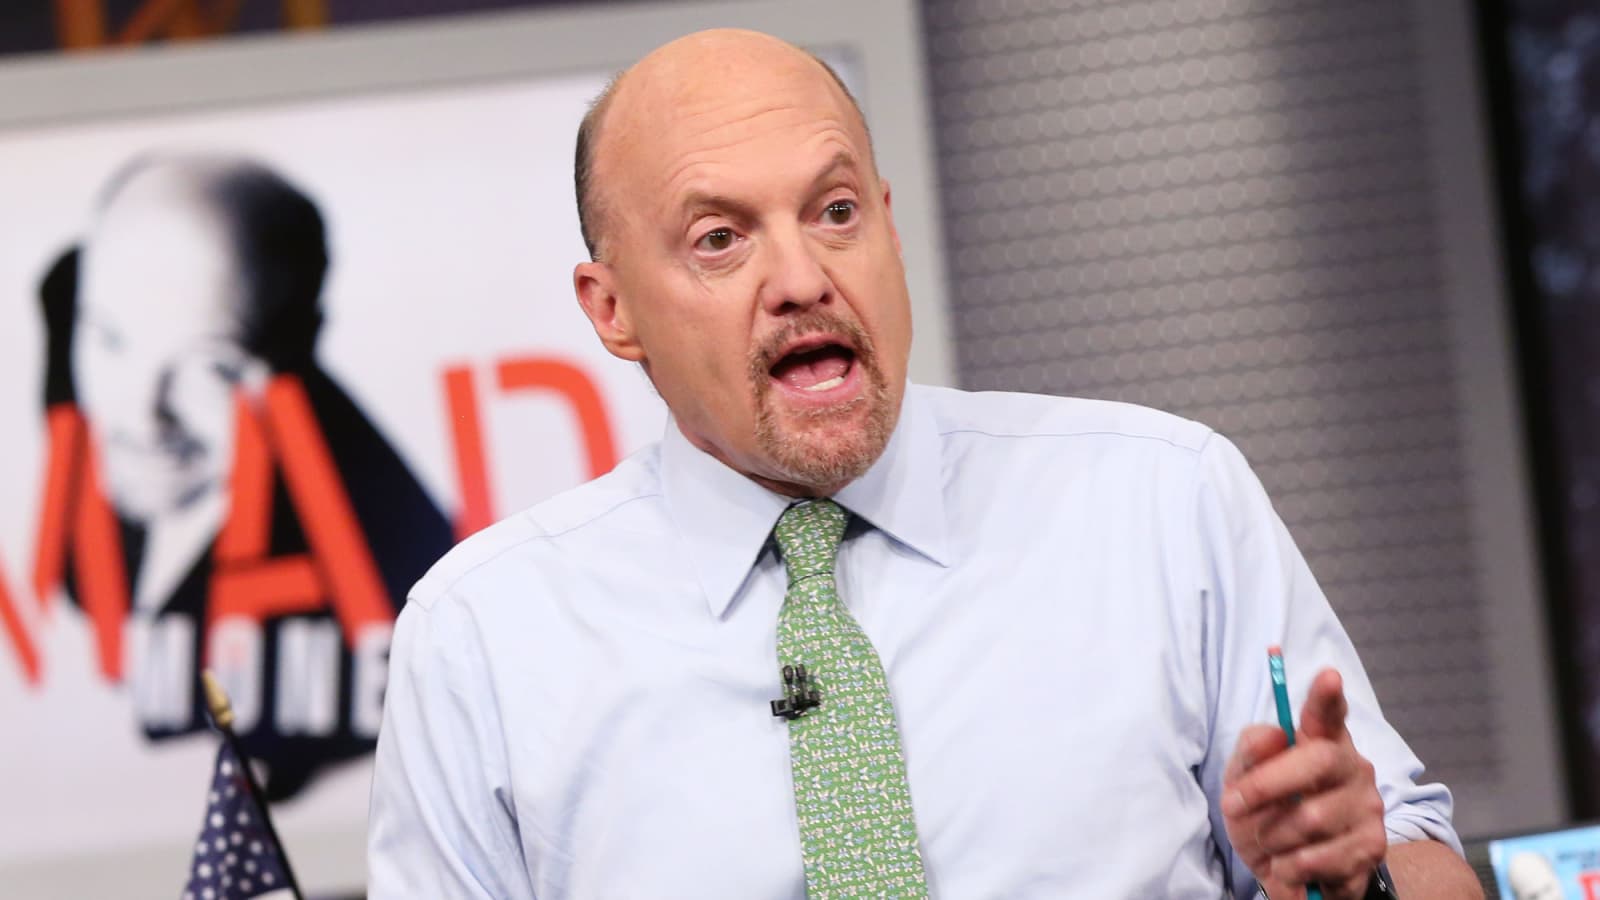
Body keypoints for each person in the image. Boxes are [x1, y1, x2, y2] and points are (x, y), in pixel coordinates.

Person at [368, 29, 1482, 899]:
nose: (802, 278)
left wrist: (1358, 877)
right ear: (611, 310)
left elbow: (1423, 863)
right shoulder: (483, 639)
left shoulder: (1162, 500)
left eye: (835, 211)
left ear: (888, 228)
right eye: (720, 239)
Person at [56, 153, 454, 799]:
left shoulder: (394, 581)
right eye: (108, 340)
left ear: (296, 352)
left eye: (209, 368)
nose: (142, 416)